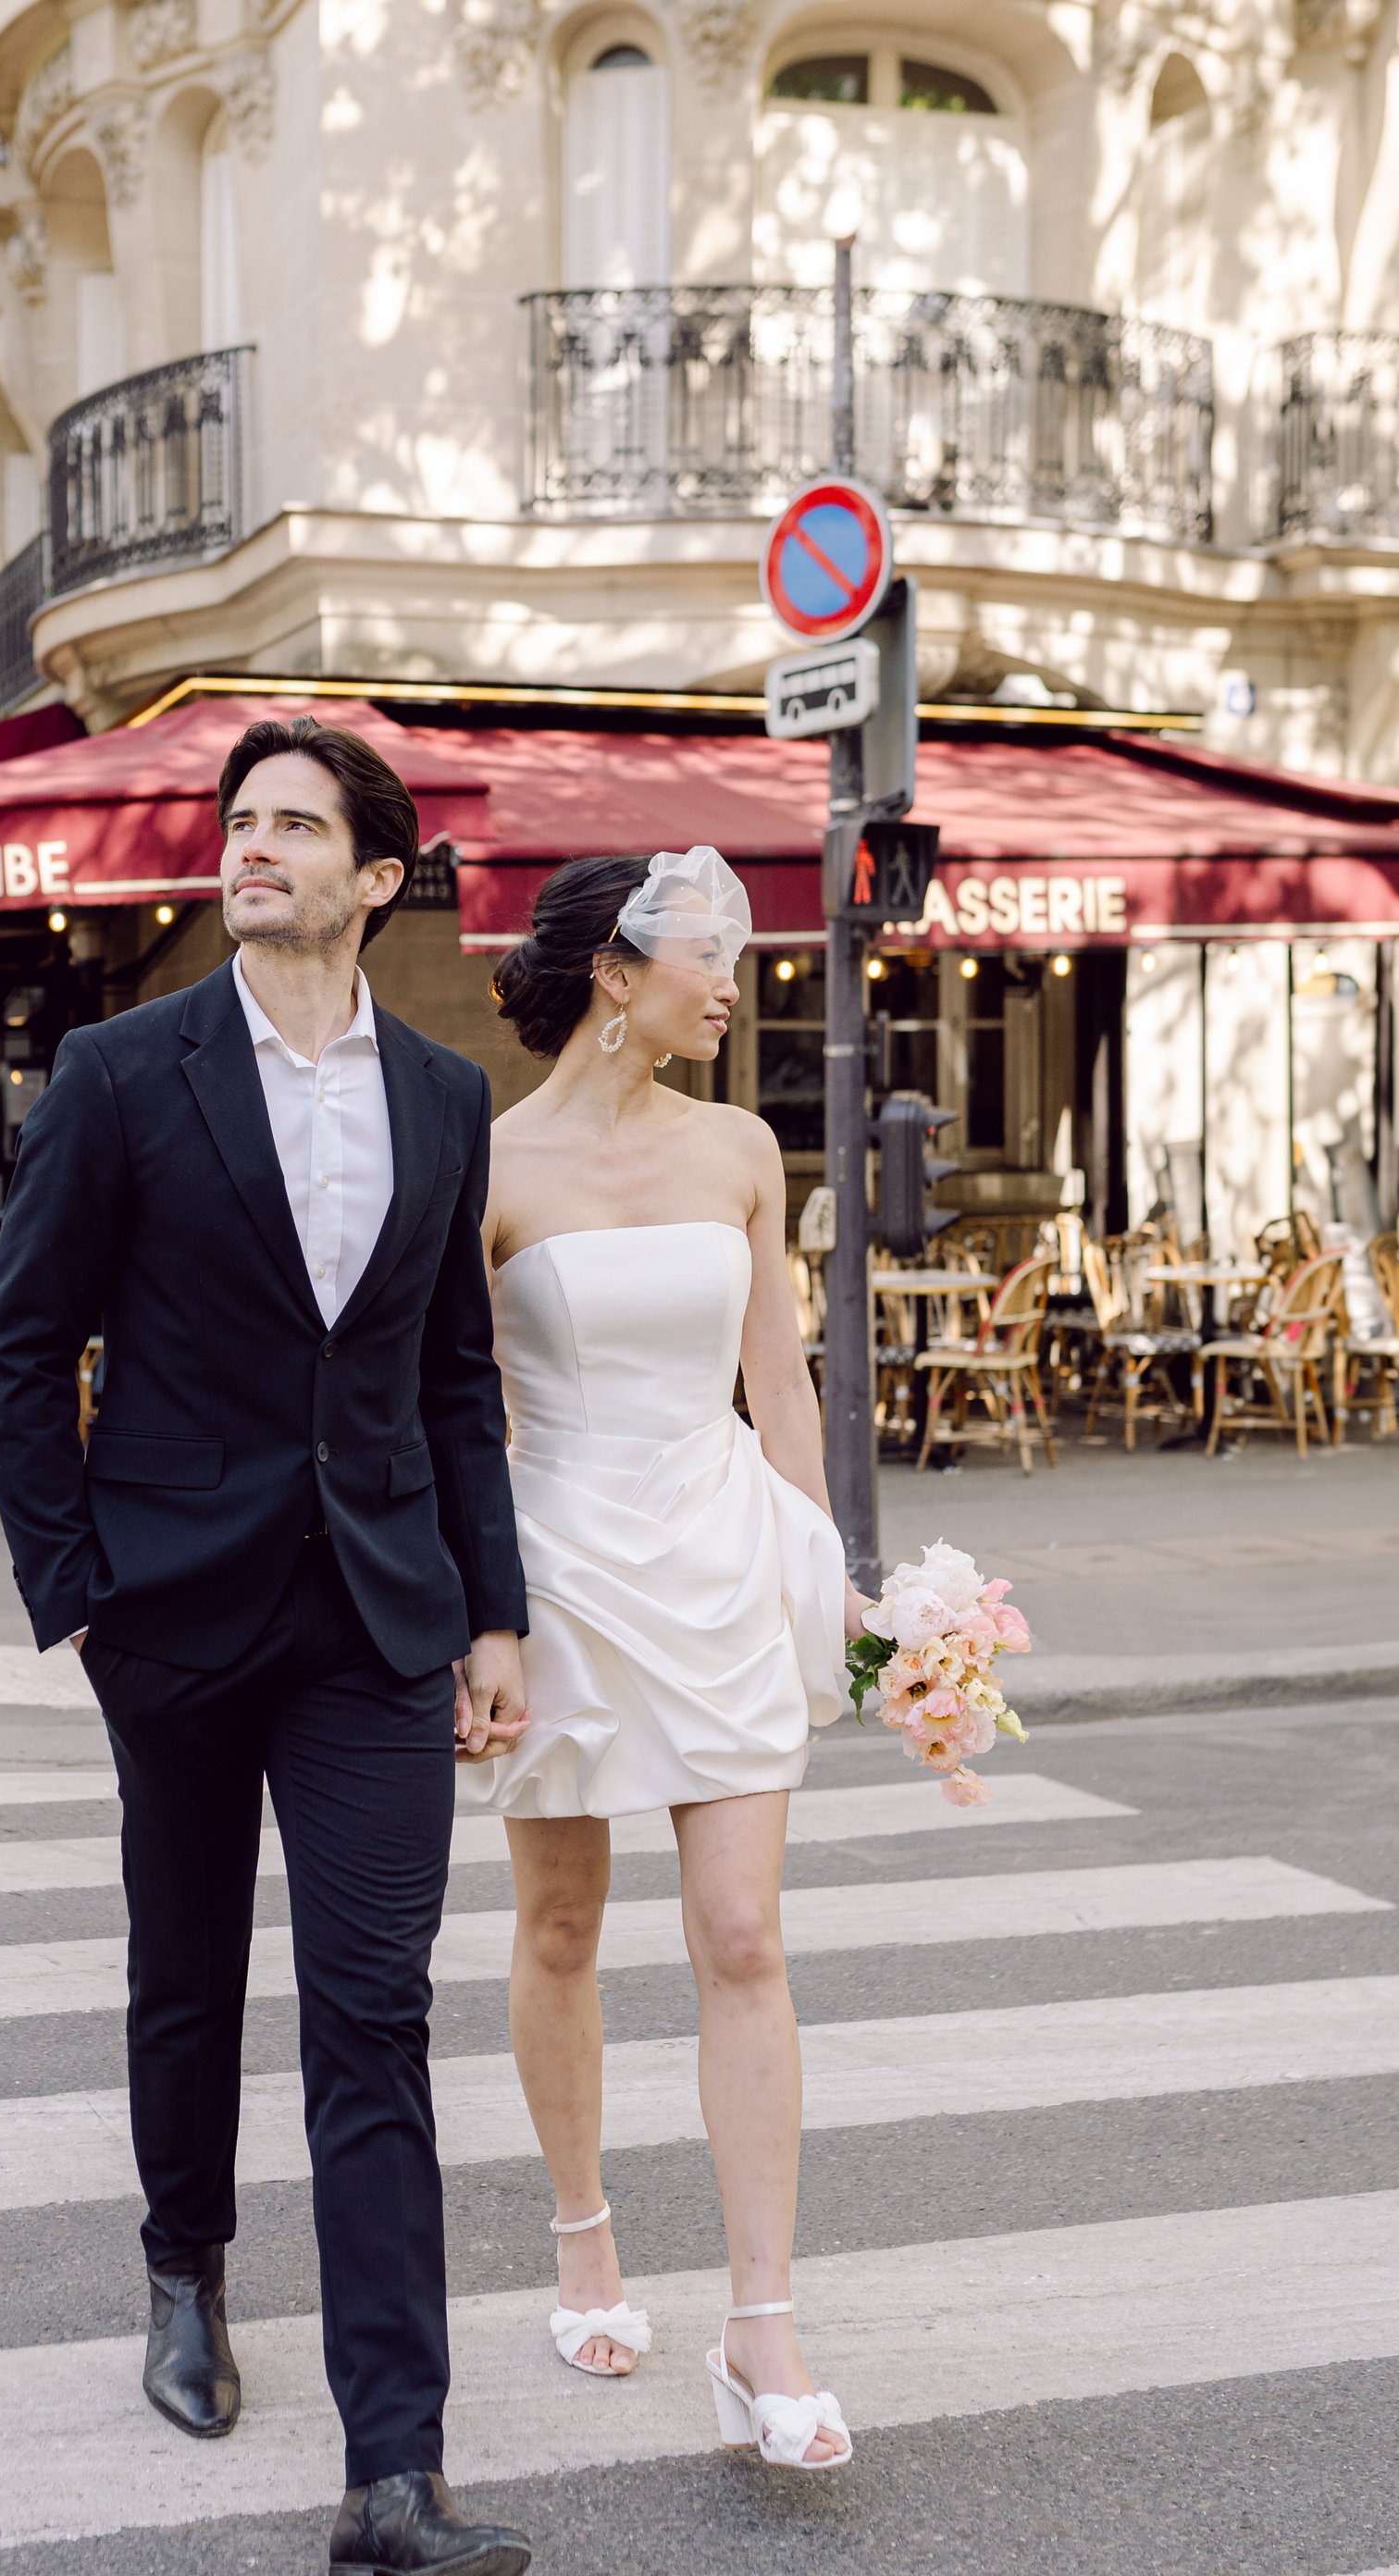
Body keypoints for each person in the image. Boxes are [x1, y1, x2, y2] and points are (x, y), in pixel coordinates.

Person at [0, 714, 538, 2576]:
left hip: (374, 1615)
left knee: (374, 2012)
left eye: (297, 826)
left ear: (377, 878)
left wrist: (491, 1609)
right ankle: (183, 2271)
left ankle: (396, 2472)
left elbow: (449, 1380)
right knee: (189, 1969)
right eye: (242, 824)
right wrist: (78, 1589)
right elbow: (21, 1338)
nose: (254, 847)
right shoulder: (124, 1073)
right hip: (176, 1607)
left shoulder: (445, 1101)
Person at [465, 850, 870, 2470]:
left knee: (743, 1929)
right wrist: (472, 1620)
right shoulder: (483, 1171)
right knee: (562, 1920)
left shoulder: (742, 1147)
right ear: (614, 977)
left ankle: (762, 2327)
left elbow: (782, 1387)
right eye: (707, 956)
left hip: (718, 1560)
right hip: (560, 1571)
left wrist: (838, 1581)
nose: (732, 983)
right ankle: (583, 2233)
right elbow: (459, 1414)